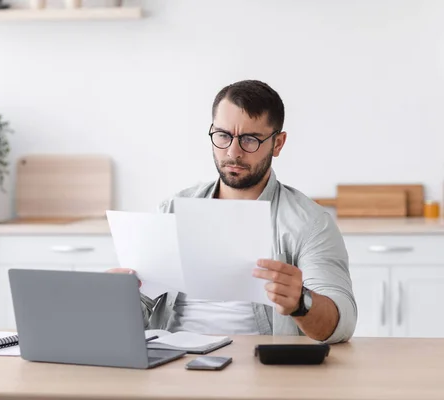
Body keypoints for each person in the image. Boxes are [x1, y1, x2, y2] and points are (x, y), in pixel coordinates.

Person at [108, 80, 357, 344]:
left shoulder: (309, 224)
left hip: (260, 369)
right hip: (174, 362)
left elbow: (342, 323)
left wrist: (301, 302)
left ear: (278, 143)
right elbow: (138, 313)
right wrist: (116, 299)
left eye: (250, 139)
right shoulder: (172, 210)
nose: (233, 152)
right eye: (223, 136)